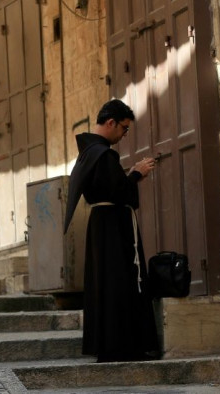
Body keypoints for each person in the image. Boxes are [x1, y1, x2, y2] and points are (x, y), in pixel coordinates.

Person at [64, 99, 159, 363]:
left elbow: (108, 187)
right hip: (113, 225)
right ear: (110, 123)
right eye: (124, 128)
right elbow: (118, 192)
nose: (125, 134)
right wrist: (136, 174)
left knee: (106, 283)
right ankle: (124, 347)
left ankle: (110, 345)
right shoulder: (103, 154)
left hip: (101, 224)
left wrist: (127, 176)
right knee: (120, 281)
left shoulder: (89, 152)